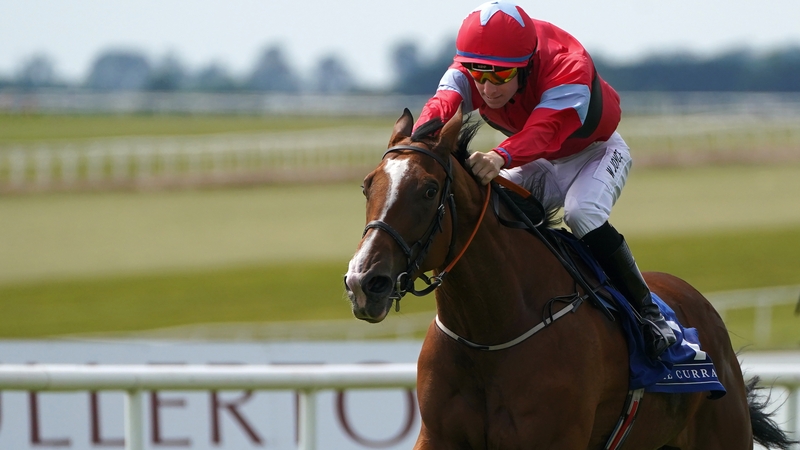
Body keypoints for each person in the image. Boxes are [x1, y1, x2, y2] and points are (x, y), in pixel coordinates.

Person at [413, 0, 676, 358]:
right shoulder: (477, 62)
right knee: (494, 210)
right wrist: (416, 143)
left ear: (527, 65)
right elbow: (440, 106)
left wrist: (500, 156)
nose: (488, 88)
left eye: (501, 76)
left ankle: (650, 312)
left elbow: (544, 131)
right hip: (540, 159)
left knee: (581, 213)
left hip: (595, 153)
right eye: (479, 74)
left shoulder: (569, 65)